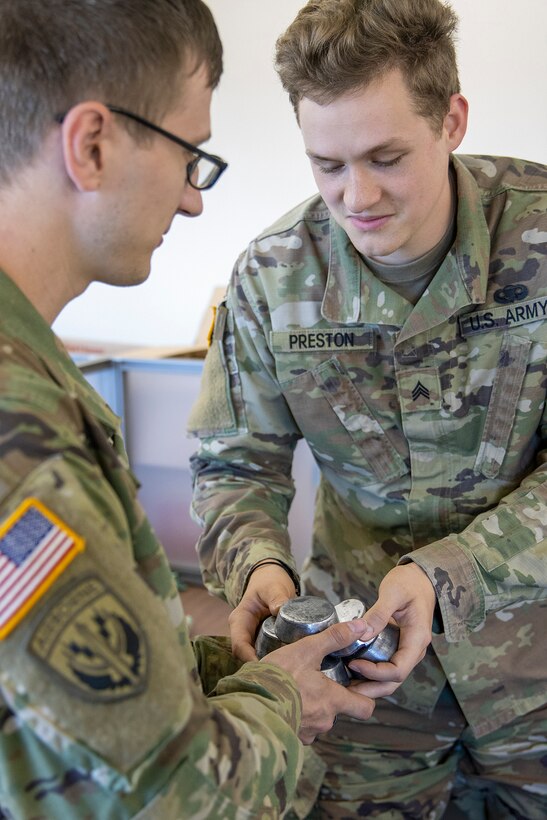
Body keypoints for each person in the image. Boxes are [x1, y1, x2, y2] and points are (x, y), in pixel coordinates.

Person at [0, 2, 377, 818]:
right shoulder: (20, 438)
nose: (193, 201)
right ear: (92, 145)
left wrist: (211, 672)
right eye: (188, 156)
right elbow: (175, 794)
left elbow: (40, 697)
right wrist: (281, 697)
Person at [189, 0, 547, 816]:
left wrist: (448, 575)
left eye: (386, 157)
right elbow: (232, 463)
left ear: (451, 119)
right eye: (327, 165)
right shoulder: (273, 279)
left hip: (532, 663)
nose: (356, 196)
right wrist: (258, 566)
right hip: (361, 684)